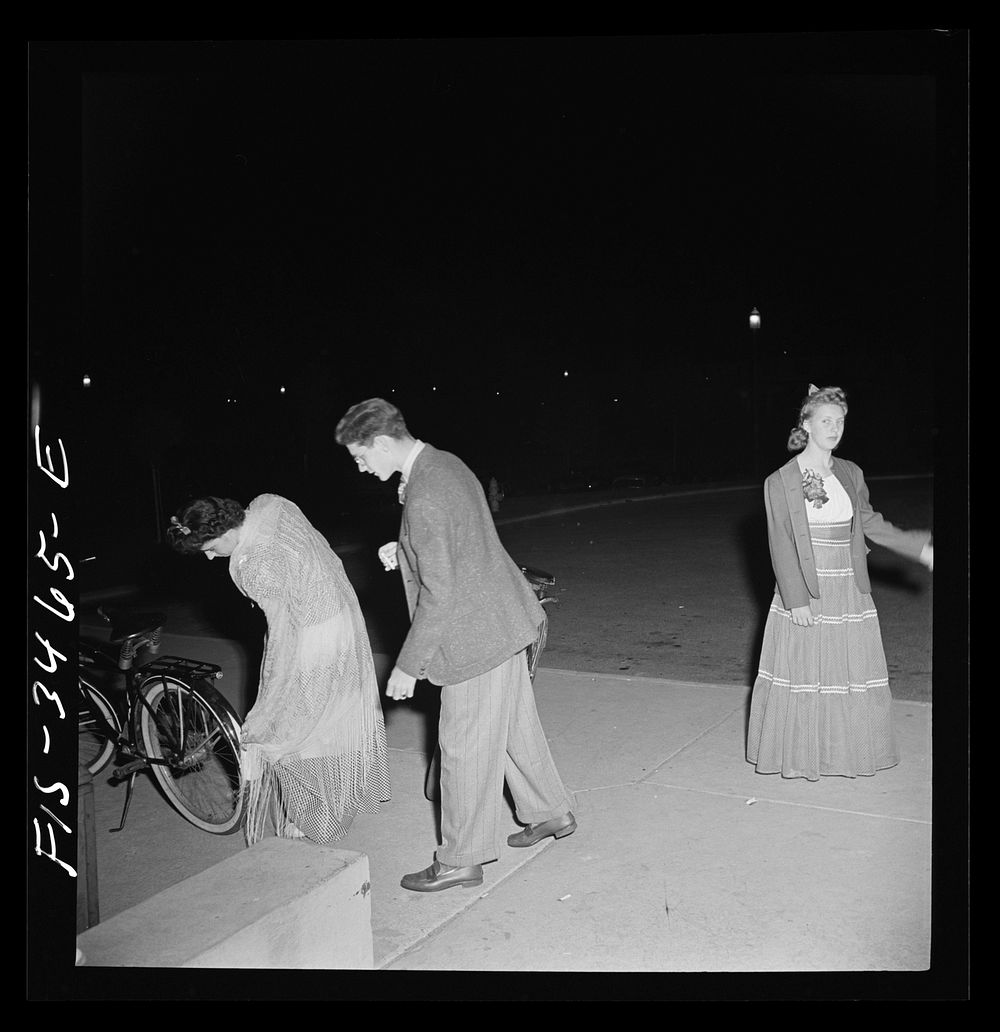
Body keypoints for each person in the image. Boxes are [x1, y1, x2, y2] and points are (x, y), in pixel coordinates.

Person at [335, 398, 576, 892]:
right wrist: (403, 551)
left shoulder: (423, 494)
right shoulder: (445, 463)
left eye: (361, 456)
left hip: (473, 636)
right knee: (512, 726)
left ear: (382, 442)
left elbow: (440, 593)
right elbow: (458, 538)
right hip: (504, 618)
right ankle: (549, 812)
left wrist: (408, 665)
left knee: (463, 746)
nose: (360, 467)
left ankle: (460, 858)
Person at [167, 494, 391, 845]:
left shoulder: (255, 563)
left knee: (296, 729)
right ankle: (340, 798)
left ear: (225, 530)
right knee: (334, 716)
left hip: (311, 638)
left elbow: (285, 634)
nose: (209, 557)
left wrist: (270, 697)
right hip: (342, 617)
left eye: (209, 547)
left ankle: (318, 819)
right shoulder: (270, 505)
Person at [746, 385, 933, 781]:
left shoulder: (850, 472)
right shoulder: (780, 481)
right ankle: (803, 756)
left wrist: (919, 547)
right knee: (806, 672)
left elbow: (868, 523)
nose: (834, 428)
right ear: (806, 425)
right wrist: (796, 599)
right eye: (826, 421)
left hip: (847, 583)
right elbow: (780, 543)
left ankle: (844, 753)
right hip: (806, 584)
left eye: (840, 421)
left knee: (847, 671)